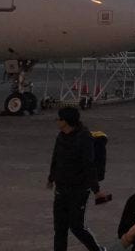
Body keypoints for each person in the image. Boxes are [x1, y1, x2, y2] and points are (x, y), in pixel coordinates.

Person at [47, 106, 110, 251]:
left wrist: (96, 190)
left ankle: (97, 250)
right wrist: (51, 178)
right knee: (60, 228)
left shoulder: (84, 137)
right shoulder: (61, 136)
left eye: (59, 118)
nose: (57, 121)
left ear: (66, 121)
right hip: (61, 188)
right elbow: (56, 157)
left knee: (76, 226)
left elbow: (89, 164)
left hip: (79, 189)